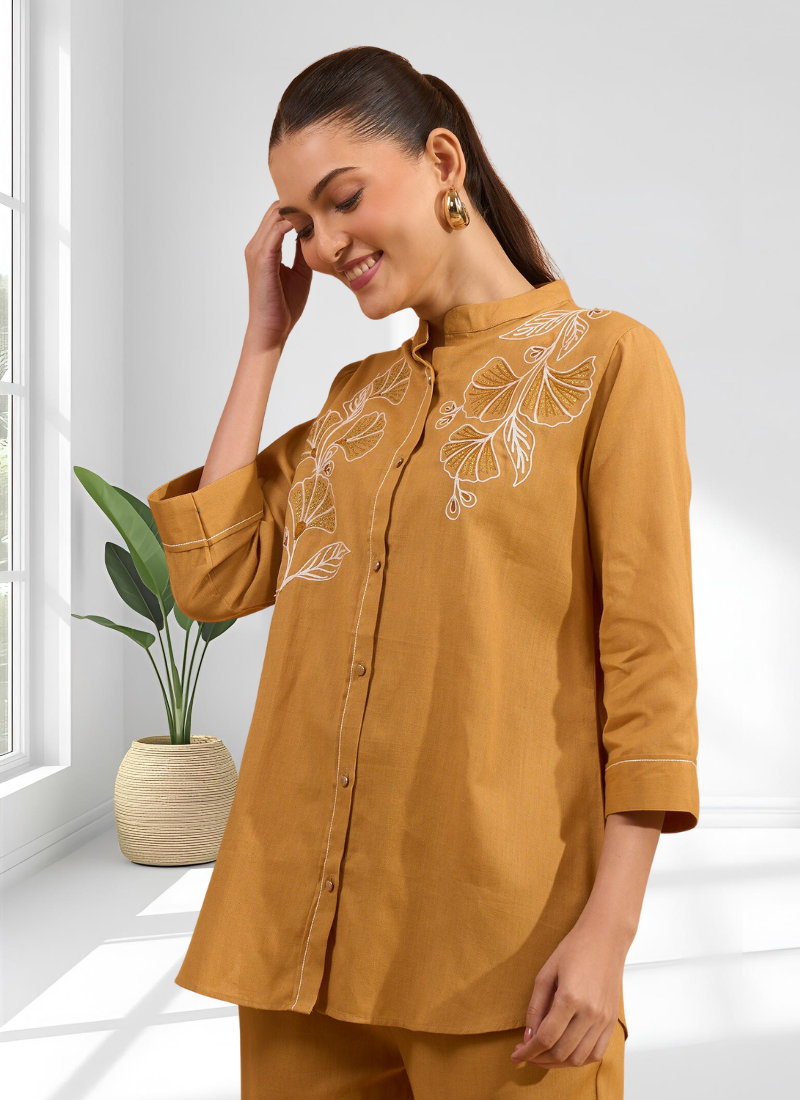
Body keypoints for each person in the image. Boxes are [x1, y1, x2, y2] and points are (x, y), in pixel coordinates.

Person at [147, 45, 700, 1100]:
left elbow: (649, 672)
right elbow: (211, 579)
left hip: (505, 959)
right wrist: (263, 340)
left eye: (343, 199)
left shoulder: (607, 364)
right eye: (301, 221)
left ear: (443, 162)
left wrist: (610, 931)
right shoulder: (355, 401)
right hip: (297, 953)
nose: (325, 244)